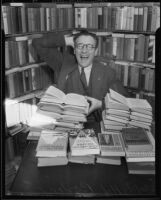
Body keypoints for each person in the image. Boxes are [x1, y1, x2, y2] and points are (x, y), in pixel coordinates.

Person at [32, 30, 128, 122]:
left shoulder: (108, 73)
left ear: (96, 51)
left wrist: (100, 104)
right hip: (68, 124)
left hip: (97, 124)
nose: (84, 51)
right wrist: (67, 40)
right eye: (80, 46)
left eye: (89, 46)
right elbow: (37, 43)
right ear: (74, 49)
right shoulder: (63, 65)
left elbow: (124, 104)